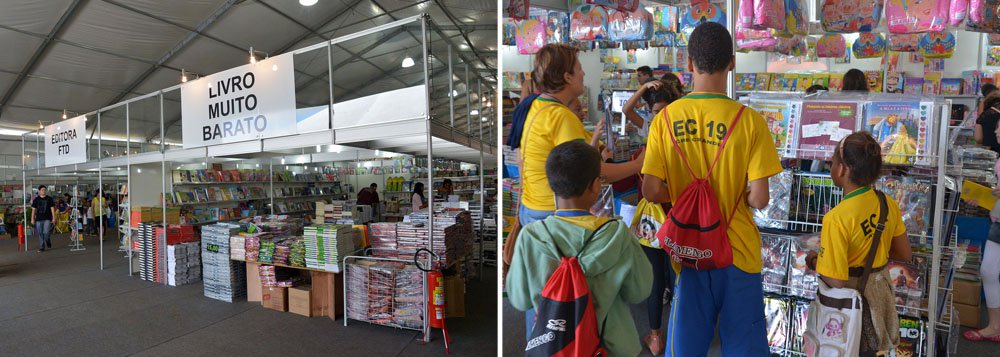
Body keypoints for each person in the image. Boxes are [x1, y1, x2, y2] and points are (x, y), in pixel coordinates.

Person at [640, 22, 782, 356]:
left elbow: (649, 189)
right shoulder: (750, 121)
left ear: (689, 63)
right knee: (744, 347)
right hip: (739, 253)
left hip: (690, 250)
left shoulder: (665, 119)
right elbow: (760, 199)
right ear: (732, 62)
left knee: (685, 346)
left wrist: (685, 197)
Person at [506, 141, 652, 356]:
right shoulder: (617, 233)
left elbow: (519, 299)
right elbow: (639, 291)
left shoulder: (531, 236)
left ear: (551, 185)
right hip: (610, 347)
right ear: (596, 185)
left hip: (556, 345)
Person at [508, 43, 645, 227]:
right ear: (567, 77)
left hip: (532, 207)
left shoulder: (537, 106)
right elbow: (591, 172)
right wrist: (638, 164)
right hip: (553, 213)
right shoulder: (561, 116)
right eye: (580, 69)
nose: (584, 74)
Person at [806, 132, 911, 355]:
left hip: (851, 304)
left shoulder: (837, 217)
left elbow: (836, 279)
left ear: (843, 169)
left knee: (848, 348)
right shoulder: (887, 203)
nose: (831, 167)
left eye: (832, 162)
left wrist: (815, 260)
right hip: (880, 296)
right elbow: (903, 253)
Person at [964, 123, 1000, 343]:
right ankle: (995, 325)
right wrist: (982, 197)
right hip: (997, 218)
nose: (995, 131)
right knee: (987, 270)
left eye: (999, 127)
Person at [30, 185, 57, 252]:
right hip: (38, 219)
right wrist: (32, 219)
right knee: (40, 233)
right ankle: (42, 247)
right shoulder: (36, 200)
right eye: (42, 190)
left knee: (46, 232)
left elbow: (52, 209)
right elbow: (33, 210)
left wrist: (54, 218)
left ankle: (48, 240)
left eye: (45, 190)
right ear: (39, 191)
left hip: (47, 218)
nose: (44, 191)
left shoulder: (49, 199)